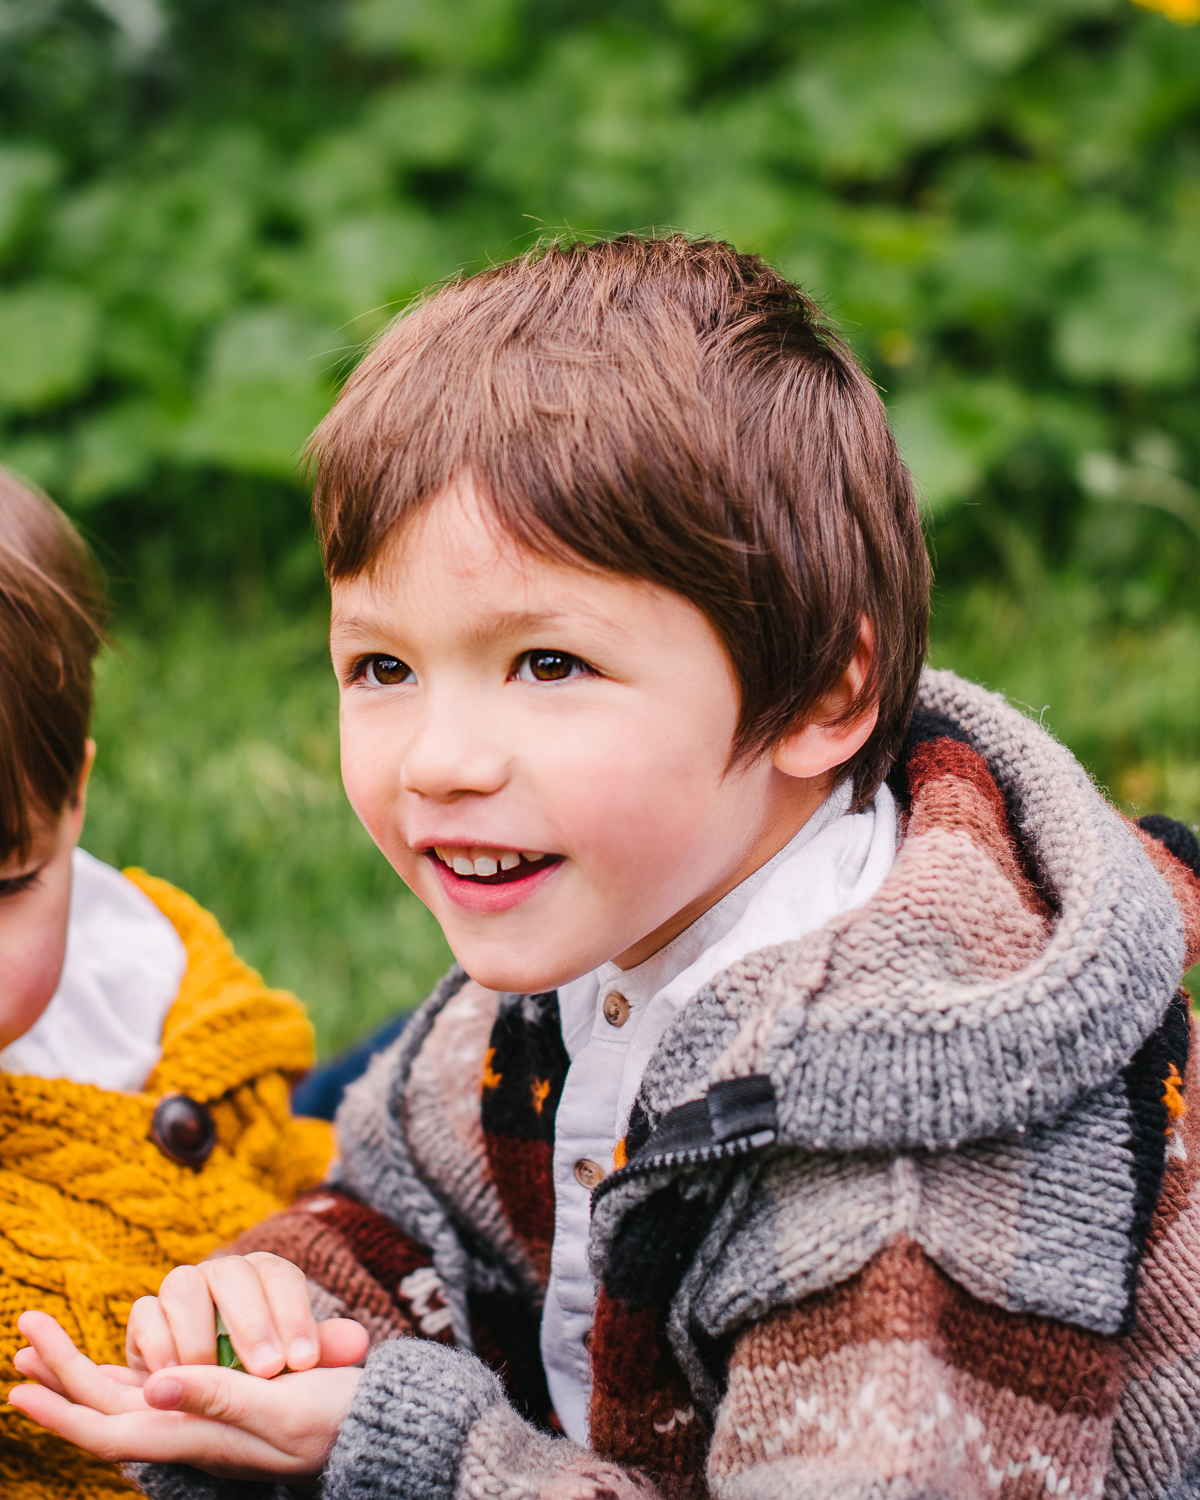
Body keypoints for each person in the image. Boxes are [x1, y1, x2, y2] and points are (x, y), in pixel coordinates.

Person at [11, 236, 1200, 1500]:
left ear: (823, 694)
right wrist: (290, 1294)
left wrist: (414, 1450)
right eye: (383, 669)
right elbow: (424, 1210)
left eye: (549, 665)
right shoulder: (622, 905)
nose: (440, 761)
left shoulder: (897, 1191)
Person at [0, 470, 335, 1499]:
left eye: (7, 882)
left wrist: (299, 1259)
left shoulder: (158, 965)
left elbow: (289, 1160)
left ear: (76, 799)